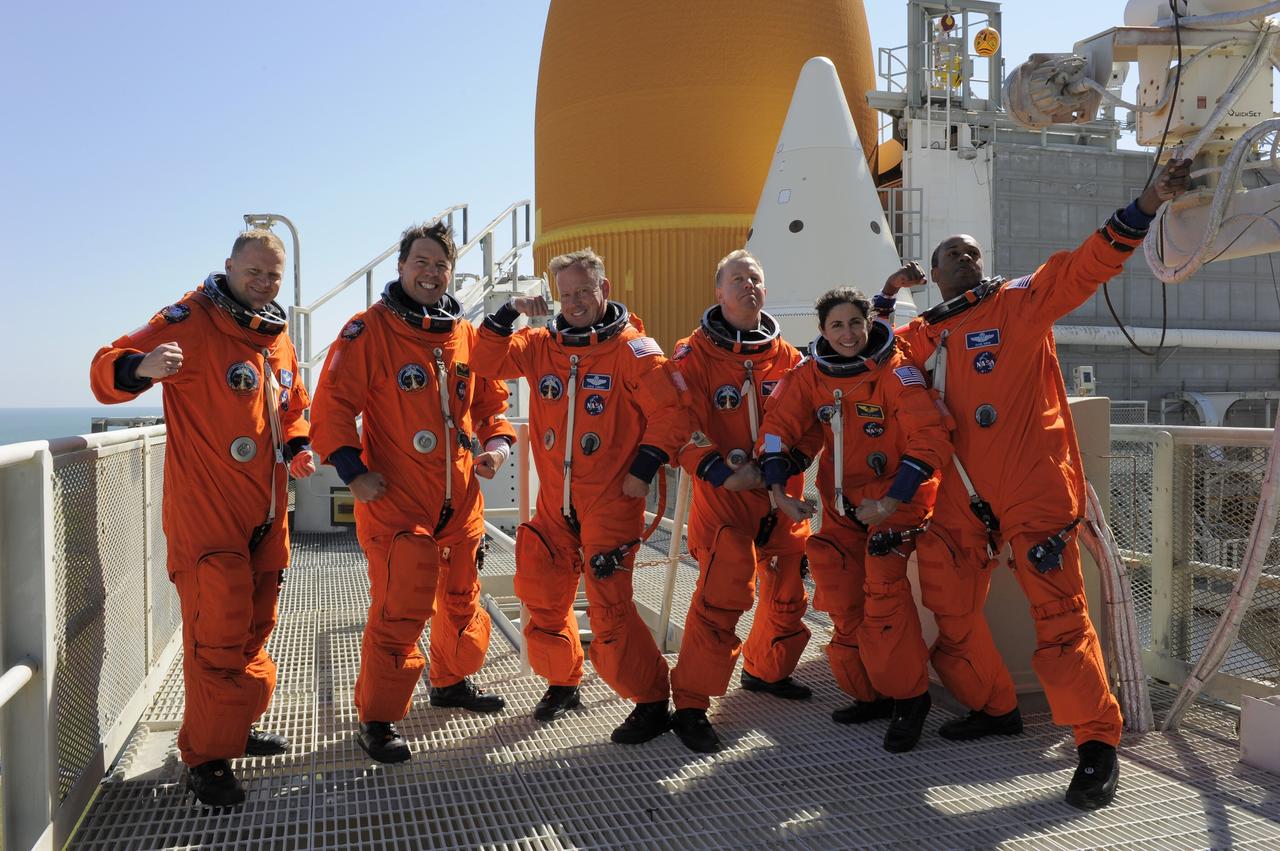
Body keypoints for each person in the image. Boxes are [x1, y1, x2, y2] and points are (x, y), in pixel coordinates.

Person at [878, 158, 1193, 808]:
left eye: (971, 252)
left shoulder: (1022, 300)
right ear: (933, 276)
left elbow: (1086, 266)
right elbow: (876, 355)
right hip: (961, 501)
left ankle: (1096, 746)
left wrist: (1147, 202)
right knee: (948, 600)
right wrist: (888, 308)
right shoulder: (923, 336)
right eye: (951, 256)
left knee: (1059, 618)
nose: (964, 260)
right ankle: (994, 706)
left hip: (1033, 492)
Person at [90, 230, 316, 807]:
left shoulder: (275, 334)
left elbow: (292, 407)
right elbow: (105, 368)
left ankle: (232, 728)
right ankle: (205, 760)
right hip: (208, 514)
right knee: (215, 637)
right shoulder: (190, 318)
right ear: (230, 266)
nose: (264, 284)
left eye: (274, 276)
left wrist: (298, 446)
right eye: (255, 273)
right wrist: (143, 365)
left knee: (252, 629)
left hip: (268, 512)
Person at [473, 248, 719, 744]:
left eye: (585, 290)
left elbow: (674, 415)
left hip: (610, 500)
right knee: (539, 595)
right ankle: (565, 681)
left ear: (604, 289)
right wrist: (509, 312)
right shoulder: (541, 344)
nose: (576, 301)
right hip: (554, 504)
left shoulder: (633, 349)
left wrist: (642, 470)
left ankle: (651, 700)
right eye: (566, 294)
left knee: (609, 610)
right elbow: (485, 360)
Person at [310, 221, 516, 764]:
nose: (431, 272)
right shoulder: (368, 331)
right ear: (400, 268)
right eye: (420, 262)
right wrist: (354, 472)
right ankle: (377, 719)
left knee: (462, 598)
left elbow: (492, 403)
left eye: (440, 264)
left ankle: (451, 683)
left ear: (451, 272)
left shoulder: (465, 334)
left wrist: (497, 446)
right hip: (397, 499)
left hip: (461, 496)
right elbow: (330, 406)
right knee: (401, 609)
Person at [756, 287, 951, 753]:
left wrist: (890, 502)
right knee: (842, 602)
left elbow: (929, 441)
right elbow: (777, 429)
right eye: (836, 326)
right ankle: (871, 693)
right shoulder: (810, 375)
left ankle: (910, 700)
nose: (847, 334)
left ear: (869, 324)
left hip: (894, 506)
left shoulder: (896, 372)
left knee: (885, 602)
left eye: (855, 324)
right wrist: (779, 494)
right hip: (844, 509)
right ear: (822, 331)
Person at [665, 250, 818, 754]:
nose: (748, 286)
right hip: (727, 499)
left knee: (789, 594)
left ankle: (766, 672)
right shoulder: (693, 356)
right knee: (721, 598)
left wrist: (791, 462)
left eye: (755, 278)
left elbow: (810, 422)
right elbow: (677, 423)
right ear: (719, 292)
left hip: (783, 499)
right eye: (737, 279)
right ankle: (689, 704)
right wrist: (716, 471)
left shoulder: (789, 359)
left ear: (765, 292)